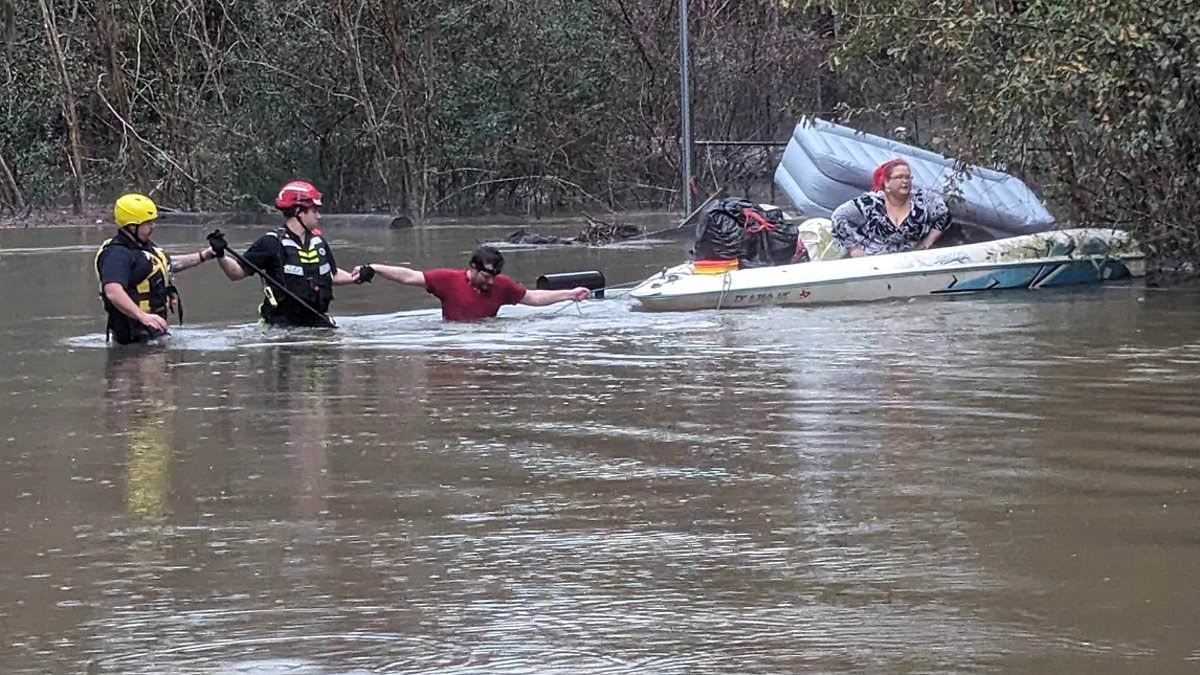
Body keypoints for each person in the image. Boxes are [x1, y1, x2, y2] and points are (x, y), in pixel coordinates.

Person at [211, 180, 361, 327]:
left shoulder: (319, 242)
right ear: (299, 212)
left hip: (317, 323)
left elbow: (331, 275)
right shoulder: (271, 243)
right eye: (314, 211)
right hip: (281, 327)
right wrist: (221, 254)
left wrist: (356, 277)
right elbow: (236, 272)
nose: (319, 216)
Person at [94, 193, 223, 344]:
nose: (153, 226)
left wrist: (204, 255)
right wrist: (143, 316)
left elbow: (166, 264)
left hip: (151, 333)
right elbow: (113, 292)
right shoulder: (116, 255)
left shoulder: (143, 247)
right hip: (133, 337)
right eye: (148, 223)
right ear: (131, 226)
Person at [354, 245, 590, 321]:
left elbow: (532, 297)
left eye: (494, 276)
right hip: (454, 338)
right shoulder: (447, 279)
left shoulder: (502, 285)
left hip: (487, 339)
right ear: (473, 268)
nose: (490, 281)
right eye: (486, 275)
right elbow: (411, 277)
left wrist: (570, 294)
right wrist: (374, 268)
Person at [831, 158, 951, 257]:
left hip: (913, 261)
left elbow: (944, 215)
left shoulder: (923, 201)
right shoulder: (870, 203)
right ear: (887, 182)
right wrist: (854, 249)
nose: (905, 181)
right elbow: (839, 217)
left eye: (908, 177)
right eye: (899, 177)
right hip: (874, 263)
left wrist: (927, 242)